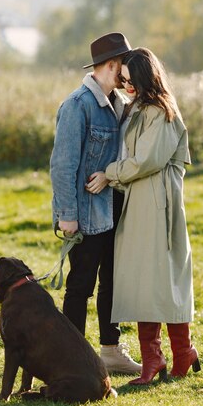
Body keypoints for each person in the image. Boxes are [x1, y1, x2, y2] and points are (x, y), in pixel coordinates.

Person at [86, 47, 200, 385]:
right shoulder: (138, 109)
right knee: (142, 280)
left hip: (156, 202)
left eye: (131, 79)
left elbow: (145, 160)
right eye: (123, 80)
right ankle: (162, 357)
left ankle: (175, 354)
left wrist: (109, 173)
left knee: (159, 279)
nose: (126, 85)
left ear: (146, 77)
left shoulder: (161, 113)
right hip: (140, 200)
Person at [50, 32, 141, 375]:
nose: (127, 74)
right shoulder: (77, 105)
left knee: (113, 282)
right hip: (86, 216)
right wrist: (67, 216)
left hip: (115, 209)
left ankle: (110, 351)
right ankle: (71, 355)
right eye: (124, 67)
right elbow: (62, 165)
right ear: (112, 65)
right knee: (81, 286)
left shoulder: (119, 103)